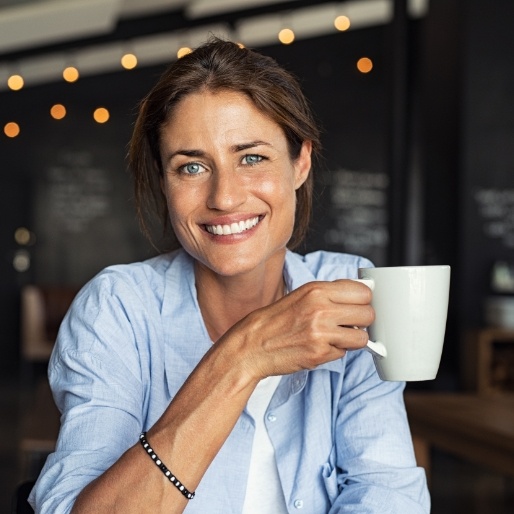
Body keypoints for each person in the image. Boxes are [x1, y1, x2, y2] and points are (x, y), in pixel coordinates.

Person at [29, 37, 430, 513]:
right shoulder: (117, 310)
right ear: (164, 181)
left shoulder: (351, 293)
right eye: (192, 167)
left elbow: (387, 495)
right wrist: (242, 358)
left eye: (252, 158)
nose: (224, 197)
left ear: (299, 162)